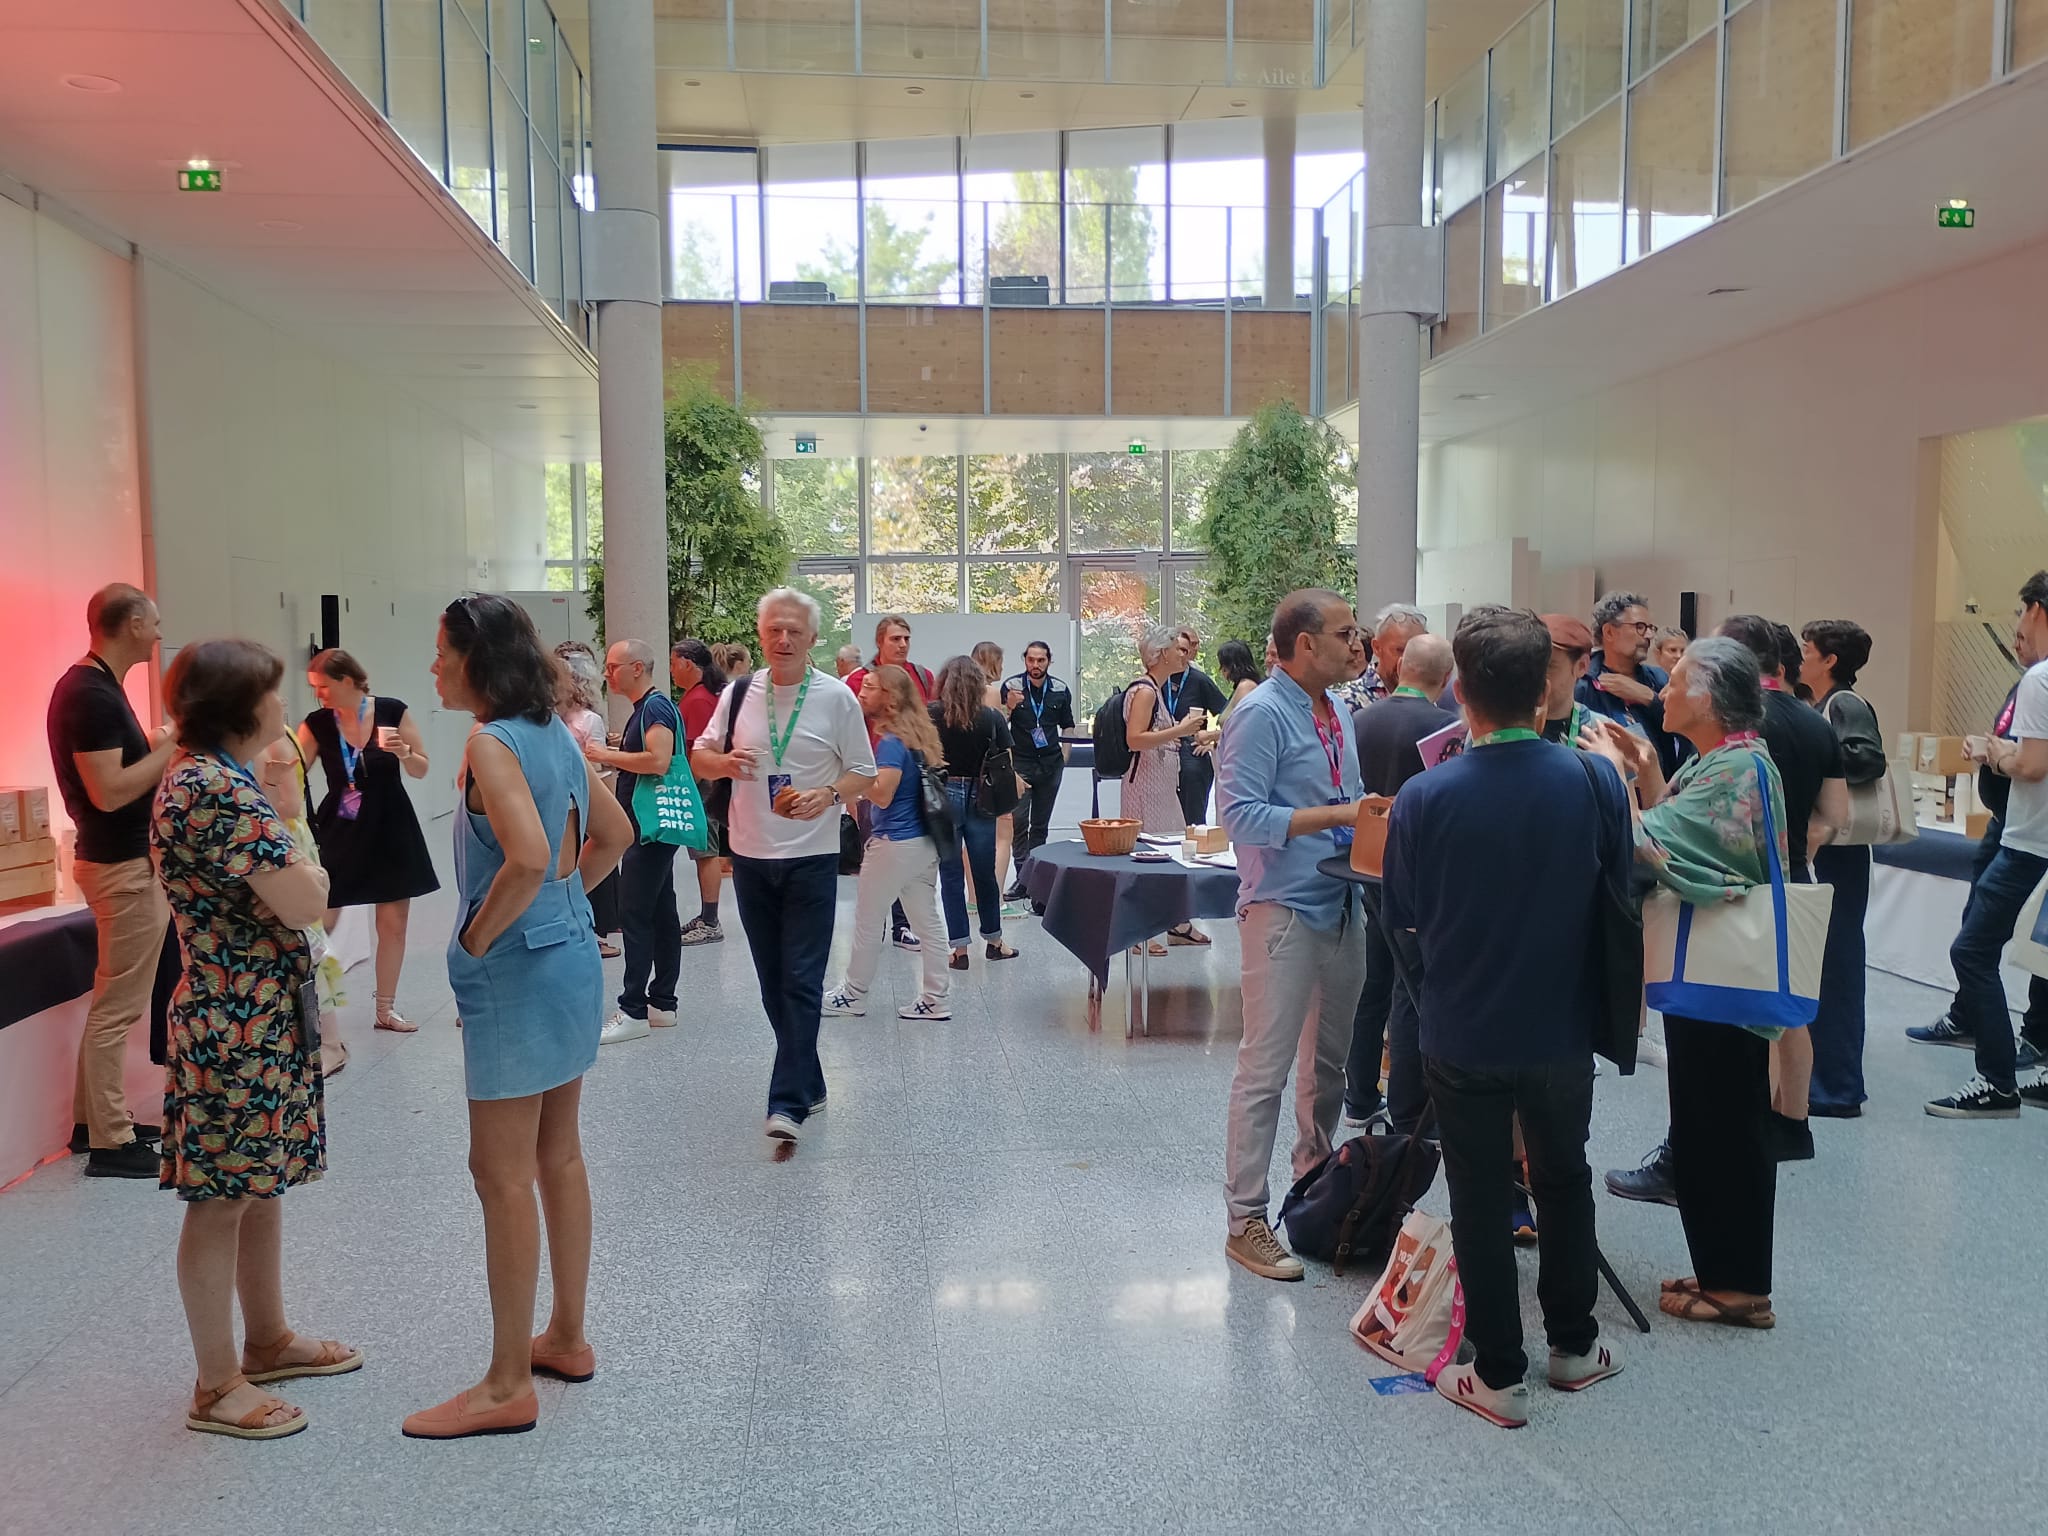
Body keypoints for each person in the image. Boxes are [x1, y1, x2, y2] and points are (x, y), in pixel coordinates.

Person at [1384, 608, 1631, 1427]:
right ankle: (1574, 1346)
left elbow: (1402, 917)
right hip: (1562, 1025)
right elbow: (1617, 895)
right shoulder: (1594, 782)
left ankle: (1496, 1372)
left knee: (1481, 1195)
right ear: (1544, 693)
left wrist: (1440, 985)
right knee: (1564, 1179)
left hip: (1462, 1026)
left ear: (1459, 693)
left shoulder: (1423, 796)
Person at [403, 595, 631, 1440]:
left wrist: (474, 939)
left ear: (479, 661)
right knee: (557, 1154)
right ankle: (566, 1335)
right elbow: (614, 834)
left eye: (442, 652)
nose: (434, 667)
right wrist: (565, 908)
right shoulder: (555, 734)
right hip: (568, 958)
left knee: (499, 1174)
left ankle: (506, 1385)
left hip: (516, 974)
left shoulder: (491, 743)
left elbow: (528, 857)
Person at [155, 639, 357, 1441]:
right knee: (222, 1197)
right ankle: (216, 1385)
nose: (285, 705)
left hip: (257, 1013)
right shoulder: (215, 789)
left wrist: (301, 867)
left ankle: (267, 1340)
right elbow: (306, 899)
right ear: (241, 708)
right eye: (273, 693)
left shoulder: (217, 778)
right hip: (232, 1021)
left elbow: (297, 891)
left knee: (258, 1182)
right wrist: (306, 865)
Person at [1582, 637, 1789, 1329]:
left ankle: (1739, 1289)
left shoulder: (1738, 769)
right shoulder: (1719, 759)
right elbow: (1673, 828)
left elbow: (1648, 843)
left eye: (1675, 682)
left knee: (1724, 1126)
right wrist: (1644, 768)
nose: (1663, 692)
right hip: (1711, 972)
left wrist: (1611, 773)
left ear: (1712, 698)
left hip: (1723, 976)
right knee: (1707, 1121)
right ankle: (1724, 1269)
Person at [1216, 590, 1372, 1281]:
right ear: (1304, 644)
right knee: (1265, 1072)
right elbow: (1241, 819)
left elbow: (1350, 802)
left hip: (1344, 904)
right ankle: (1245, 1220)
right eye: (1345, 633)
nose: (1357, 644)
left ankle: (1313, 1187)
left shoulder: (1338, 710)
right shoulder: (1259, 714)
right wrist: (1338, 814)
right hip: (1282, 911)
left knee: (1328, 1068)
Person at [691, 589, 876, 1144]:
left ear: (813, 638)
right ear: (760, 633)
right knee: (773, 982)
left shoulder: (836, 697)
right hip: (750, 858)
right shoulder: (738, 693)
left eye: (795, 630)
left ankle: (786, 1100)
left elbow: (864, 772)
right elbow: (699, 756)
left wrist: (829, 793)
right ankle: (809, 1079)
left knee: (801, 978)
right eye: (774, 629)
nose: (784, 639)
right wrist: (724, 762)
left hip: (811, 859)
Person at [46, 583, 177, 1177]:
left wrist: (152, 745)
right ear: (131, 625)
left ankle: (91, 1122)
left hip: (120, 861)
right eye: (154, 622)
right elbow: (109, 791)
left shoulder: (98, 688)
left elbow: (112, 771)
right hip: (121, 867)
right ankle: (111, 1141)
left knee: (112, 1002)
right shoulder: (90, 694)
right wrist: (172, 747)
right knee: (117, 1010)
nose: (159, 634)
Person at [1924, 572, 2048, 1119]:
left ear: (2036, 609)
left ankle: (1997, 1082)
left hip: (2030, 842)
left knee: (1972, 950)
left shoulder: (2040, 679)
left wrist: (1995, 753)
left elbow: (2032, 764)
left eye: (2021, 613)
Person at [1343, 632, 1457, 1134]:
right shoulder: (1447, 729)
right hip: (1421, 878)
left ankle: (1358, 1095)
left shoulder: (1358, 720)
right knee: (1412, 991)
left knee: (1372, 985)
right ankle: (1410, 1109)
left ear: (1401, 666)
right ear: (1447, 677)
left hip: (1365, 869)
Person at [299, 648, 438, 1033]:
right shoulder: (317, 723)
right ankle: (303, 1004)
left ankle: (385, 1008)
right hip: (341, 823)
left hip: (390, 822)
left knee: (393, 922)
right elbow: (295, 771)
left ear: (347, 681)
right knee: (320, 915)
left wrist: (404, 752)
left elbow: (421, 768)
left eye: (323, 686)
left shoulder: (392, 711)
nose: (318, 695)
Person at [822, 665, 951, 1021]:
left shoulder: (893, 742)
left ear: (889, 698)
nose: (861, 693)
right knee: (927, 921)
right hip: (922, 842)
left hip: (894, 843)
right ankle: (935, 998)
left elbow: (882, 794)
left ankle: (853, 994)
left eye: (869, 687)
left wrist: (852, 774)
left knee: (868, 920)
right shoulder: (918, 736)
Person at [1800, 618, 1885, 1120]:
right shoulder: (1822, 705)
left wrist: (1818, 761)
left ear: (1829, 660)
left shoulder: (1845, 705)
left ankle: (1838, 1086)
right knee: (1825, 962)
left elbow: (1868, 758)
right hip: (1830, 847)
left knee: (1837, 964)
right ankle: (1826, 1078)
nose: (1800, 657)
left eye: (1807, 649)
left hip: (1840, 850)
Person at [580, 641, 680, 1046]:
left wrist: (607, 754)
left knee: (635, 914)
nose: (607, 673)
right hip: (651, 826)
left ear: (637, 668)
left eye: (613, 666)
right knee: (662, 911)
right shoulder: (650, 708)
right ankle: (662, 1003)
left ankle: (634, 1008)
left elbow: (659, 760)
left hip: (648, 827)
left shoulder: (655, 708)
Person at [846, 617, 937, 951]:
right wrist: (851, 787)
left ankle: (902, 925)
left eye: (906, 638)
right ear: (880, 641)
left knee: (909, 857)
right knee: (875, 851)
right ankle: (875, 928)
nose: (902, 644)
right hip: (874, 778)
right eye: (895, 638)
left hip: (912, 782)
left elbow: (928, 721)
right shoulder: (860, 680)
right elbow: (848, 728)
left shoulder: (922, 677)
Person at [932, 655, 1021, 969]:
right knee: (984, 873)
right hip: (981, 797)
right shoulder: (991, 717)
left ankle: (959, 950)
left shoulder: (932, 714)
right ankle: (995, 942)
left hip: (943, 796)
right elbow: (1005, 758)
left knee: (950, 874)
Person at [554, 642, 620, 959]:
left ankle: (588, 929)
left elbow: (594, 762)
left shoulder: (574, 720)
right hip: (572, 807)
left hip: (570, 805)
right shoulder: (575, 720)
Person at [1001, 640, 1076, 901]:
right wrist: (1009, 706)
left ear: (1048, 661)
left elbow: (1068, 724)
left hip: (1050, 764)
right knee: (1019, 822)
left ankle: (1037, 881)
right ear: (1025, 660)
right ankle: (1023, 879)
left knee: (1040, 826)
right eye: (1031, 660)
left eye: (1041, 660)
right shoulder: (1011, 686)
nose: (1035, 665)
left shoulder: (1059, 689)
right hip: (1020, 764)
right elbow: (999, 723)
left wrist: (1065, 756)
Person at [1576, 592, 1681, 776]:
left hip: (1662, 787)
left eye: (1650, 628)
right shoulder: (1583, 683)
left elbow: (1684, 730)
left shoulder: (1658, 679)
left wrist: (1650, 698)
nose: (1649, 635)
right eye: (1640, 627)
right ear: (1609, 632)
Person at [670, 639, 730, 946]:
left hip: (701, 785)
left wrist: (686, 790)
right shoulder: (703, 695)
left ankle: (710, 920)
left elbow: (698, 752)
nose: (671, 670)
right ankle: (707, 917)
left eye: (673, 663)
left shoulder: (698, 700)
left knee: (706, 853)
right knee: (703, 852)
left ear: (687, 663)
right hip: (704, 783)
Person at [970, 642, 1020, 904]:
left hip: (967, 773)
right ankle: (995, 899)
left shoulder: (961, 693)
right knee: (1003, 834)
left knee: (971, 838)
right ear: (991, 662)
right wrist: (1011, 777)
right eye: (1000, 661)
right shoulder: (989, 692)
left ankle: (973, 898)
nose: (1002, 667)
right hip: (991, 774)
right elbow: (1000, 740)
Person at [1167, 626, 1231, 826]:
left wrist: (1212, 740)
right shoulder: (1157, 680)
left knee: (1193, 821)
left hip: (1191, 752)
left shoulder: (1199, 680)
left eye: (1188, 649)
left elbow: (1231, 716)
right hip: (1162, 754)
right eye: (1179, 649)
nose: (1183, 654)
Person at [1337, 604, 1427, 709]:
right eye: (1400, 650)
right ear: (1377, 648)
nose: (1408, 660)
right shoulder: (1350, 700)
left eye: (1416, 651)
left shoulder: (1427, 695)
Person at [1216, 640, 1262, 723]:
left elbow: (1241, 723)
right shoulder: (1242, 685)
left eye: (1223, 665)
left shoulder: (1245, 687)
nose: (1221, 670)